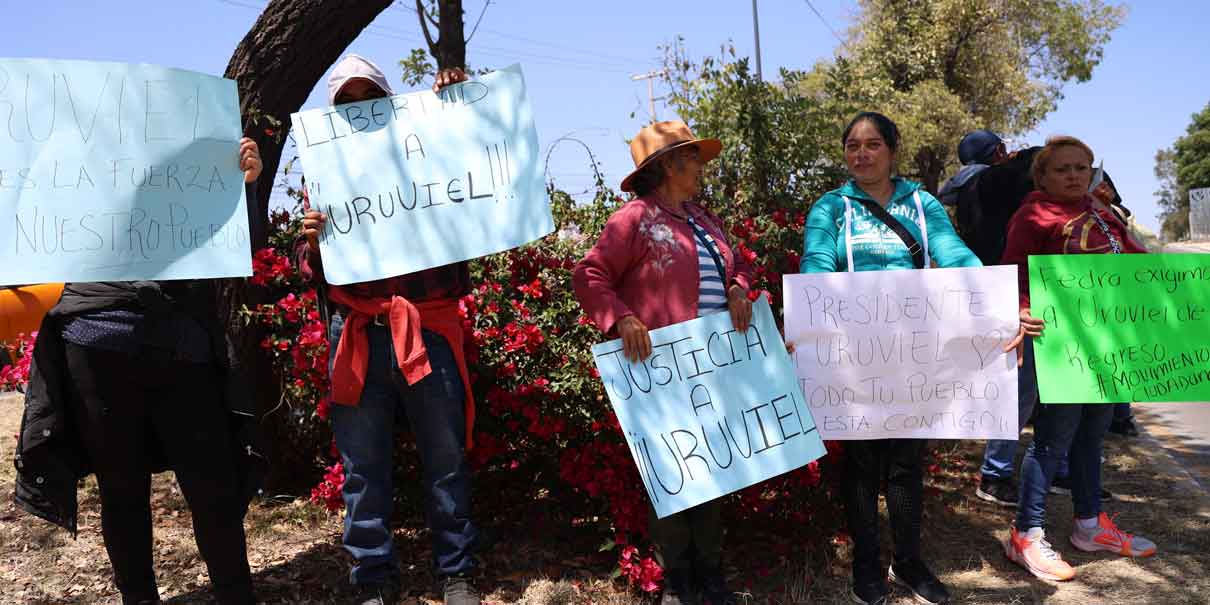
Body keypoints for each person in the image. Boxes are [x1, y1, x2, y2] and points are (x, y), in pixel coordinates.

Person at [14, 139, 266, 605]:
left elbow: (239, 246)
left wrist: (244, 187)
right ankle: (139, 597)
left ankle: (235, 594)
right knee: (121, 486)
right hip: (92, 346)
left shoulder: (178, 176)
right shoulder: (66, 177)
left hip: (182, 348)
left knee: (210, 485)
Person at [298, 55, 481, 605]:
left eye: (369, 99)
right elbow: (309, 266)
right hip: (356, 330)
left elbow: (474, 181)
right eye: (345, 104)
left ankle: (457, 572)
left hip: (427, 326)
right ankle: (372, 578)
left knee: (446, 456)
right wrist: (312, 243)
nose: (357, 111)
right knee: (362, 466)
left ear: (391, 104)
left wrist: (455, 104)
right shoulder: (323, 172)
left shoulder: (426, 154)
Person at [800, 112, 991, 605]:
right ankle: (866, 564)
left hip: (913, 355)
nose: (861, 154)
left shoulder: (923, 204)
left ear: (892, 150)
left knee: (907, 462)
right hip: (854, 353)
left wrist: (996, 301)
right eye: (852, 146)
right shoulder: (831, 207)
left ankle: (908, 562)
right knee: (862, 465)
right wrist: (807, 309)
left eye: (873, 144)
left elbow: (954, 254)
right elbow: (817, 261)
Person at [573, 120, 754, 605]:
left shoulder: (704, 217)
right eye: (692, 157)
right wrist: (622, 319)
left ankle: (711, 575)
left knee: (716, 467)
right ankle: (679, 580)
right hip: (662, 370)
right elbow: (590, 274)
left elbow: (739, 264)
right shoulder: (633, 219)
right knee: (674, 473)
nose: (699, 166)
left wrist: (739, 288)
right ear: (669, 165)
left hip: (715, 368)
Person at [1002, 135, 1156, 582]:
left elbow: (1135, 263)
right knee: (1054, 437)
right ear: (1043, 176)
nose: (1074, 176)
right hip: (1062, 339)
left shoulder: (1101, 211)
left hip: (1108, 340)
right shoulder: (1033, 214)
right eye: (1063, 169)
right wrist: (1021, 307)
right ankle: (1026, 533)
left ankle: (1089, 525)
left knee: (1094, 432)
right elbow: (1014, 269)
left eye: (1082, 168)